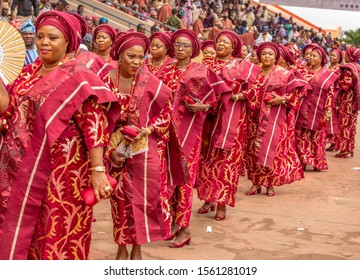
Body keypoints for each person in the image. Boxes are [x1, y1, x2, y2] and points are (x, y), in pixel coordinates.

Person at [0, 10, 119, 260]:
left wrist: (98, 171)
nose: (44, 42)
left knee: (55, 231)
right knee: (23, 231)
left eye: (52, 38)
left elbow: (94, 126)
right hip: (19, 168)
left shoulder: (78, 76)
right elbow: (8, 110)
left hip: (60, 175)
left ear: (68, 41)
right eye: (40, 36)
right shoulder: (28, 72)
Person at [103, 31, 184, 260]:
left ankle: (137, 246)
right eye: (131, 56)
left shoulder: (152, 83)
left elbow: (166, 114)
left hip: (145, 148)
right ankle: (121, 245)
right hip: (117, 147)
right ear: (120, 55)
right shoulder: (107, 79)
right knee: (119, 200)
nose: (137, 62)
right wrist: (111, 148)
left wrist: (146, 130)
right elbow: (100, 117)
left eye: (141, 57)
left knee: (141, 199)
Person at [161, 29, 231, 248]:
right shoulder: (165, 70)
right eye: (178, 45)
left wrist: (204, 106)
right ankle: (173, 223)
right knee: (168, 179)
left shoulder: (202, 71)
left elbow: (220, 97)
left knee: (184, 180)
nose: (180, 49)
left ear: (193, 50)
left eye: (185, 46)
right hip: (166, 133)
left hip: (189, 133)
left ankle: (185, 229)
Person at [196, 30, 261, 219]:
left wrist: (239, 96)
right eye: (219, 42)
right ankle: (208, 198)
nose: (221, 45)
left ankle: (222, 202)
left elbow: (255, 89)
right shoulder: (206, 64)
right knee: (207, 158)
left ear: (233, 46)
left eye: (225, 42)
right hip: (208, 116)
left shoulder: (242, 65)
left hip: (232, 115)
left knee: (226, 160)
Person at [242, 42, 306, 197]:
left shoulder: (284, 73)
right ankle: (256, 182)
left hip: (275, 119)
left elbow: (298, 93)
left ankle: (270, 183)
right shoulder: (254, 73)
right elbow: (246, 91)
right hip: (254, 118)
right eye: (264, 54)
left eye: (270, 54)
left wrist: (282, 99)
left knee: (272, 151)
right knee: (253, 151)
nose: (267, 57)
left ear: (276, 57)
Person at [295, 44, 339, 172]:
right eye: (309, 55)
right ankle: (303, 160)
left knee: (317, 137)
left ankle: (316, 162)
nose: (311, 58)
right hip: (303, 110)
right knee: (302, 136)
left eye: (314, 56)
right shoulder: (302, 71)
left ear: (321, 59)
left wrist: (328, 110)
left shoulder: (327, 75)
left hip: (319, 111)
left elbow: (331, 93)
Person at [333, 46, 360, 158]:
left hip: (347, 100)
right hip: (354, 100)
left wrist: (336, 82)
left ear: (351, 56)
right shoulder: (357, 67)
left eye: (347, 54)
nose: (345, 56)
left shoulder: (348, 68)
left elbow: (346, 84)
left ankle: (344, 149)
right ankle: (349, 148)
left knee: (344, 124)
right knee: (351, 125)